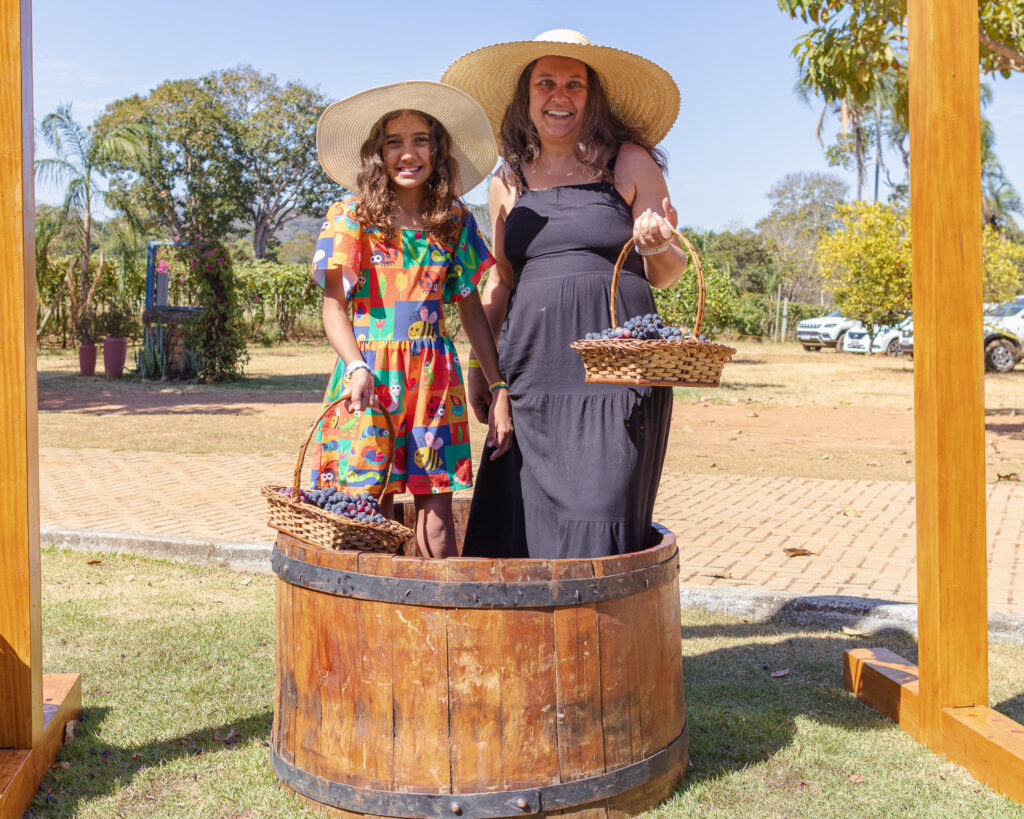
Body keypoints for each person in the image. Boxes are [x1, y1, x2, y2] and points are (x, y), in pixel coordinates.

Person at [442, 30, 687, 559]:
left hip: (615, 372)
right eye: (546, 83)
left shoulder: (630, 162)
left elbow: (667, 272)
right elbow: (501, 279)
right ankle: (519, 640)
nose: (560, 95)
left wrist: (658, 243)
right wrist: (480, 370)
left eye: (574, 84)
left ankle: (596, 637)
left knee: (601, 510)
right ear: (526, 97)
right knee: (522, 510)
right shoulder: (506, 181)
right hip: (531, 373)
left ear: (591, 95)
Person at [309, 81, 512, 559]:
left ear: (437, 149)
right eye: (393, 142)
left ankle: (440, 627)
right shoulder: (350, 218)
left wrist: (498, 386)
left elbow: (470, 308)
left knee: (438, 521)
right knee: (364, 514)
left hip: (434, 383)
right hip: (367, 379)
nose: (408, 153)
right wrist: (356, 366)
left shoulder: (455, 222)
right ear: (377, 153)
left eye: (420, 140)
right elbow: (334, 307)